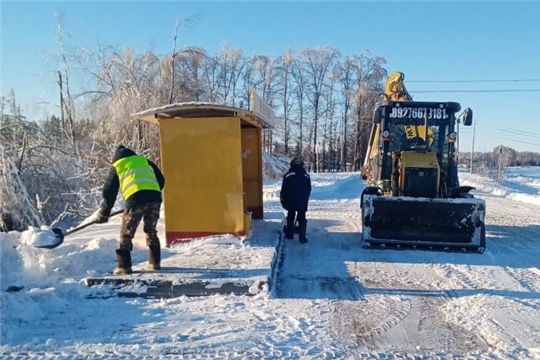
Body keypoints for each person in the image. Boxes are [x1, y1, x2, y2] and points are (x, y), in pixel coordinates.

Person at [96, 145, 165, 275]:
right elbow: (161, 179)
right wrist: (151, 191)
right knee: (151, 229)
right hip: (155, 197)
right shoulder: (143, 160)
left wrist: (104, 212)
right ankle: (155, 263)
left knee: (126, 233)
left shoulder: (118, 165)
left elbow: (109, 191)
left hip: (136, 198)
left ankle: (124, 267)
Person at [280, 157, 312, 243]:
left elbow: (284, 189)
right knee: (302, 217)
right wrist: (305, 198)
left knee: (291, 215)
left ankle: (290, 235)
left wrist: (283, 199)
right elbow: (309, 189)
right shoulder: (307, 176)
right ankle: (302, 238)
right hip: (302, 200)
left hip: (291, 200)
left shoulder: (287, 175)